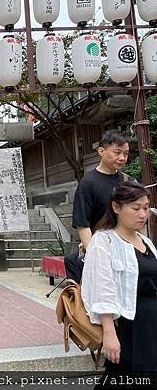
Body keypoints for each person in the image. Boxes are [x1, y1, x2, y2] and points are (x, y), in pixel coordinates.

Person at [81, 182, 157, 376]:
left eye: (146, 208)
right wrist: (109, 333)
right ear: (116, 207)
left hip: (151, 321)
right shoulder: (104, 241)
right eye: (136, 208)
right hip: (127, 323)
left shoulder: (145, 241)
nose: (143, 214)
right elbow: (102, 287)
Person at [67, 130, 131, 283]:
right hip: (102, 250)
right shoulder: (88, 184)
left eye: (126, 154)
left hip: (127, 250)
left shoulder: (128, 182)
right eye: (117, 152)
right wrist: (94, 257)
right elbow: (83, 224)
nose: (122, 158)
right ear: (101, 151)